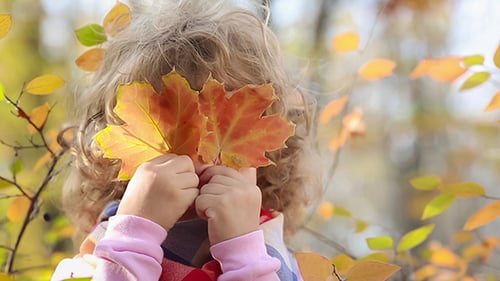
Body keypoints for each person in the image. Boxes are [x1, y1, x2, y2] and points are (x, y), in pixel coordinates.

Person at [51, 0, 322, 280]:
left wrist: (244, 254)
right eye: (174, 126)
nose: (200, 152)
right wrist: (135, 236)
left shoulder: (266, 251)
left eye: (221, 126)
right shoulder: (104, 246)